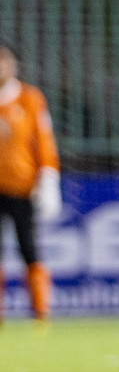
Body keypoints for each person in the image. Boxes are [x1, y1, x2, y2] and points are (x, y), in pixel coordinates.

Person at [0, 40, 60, 322]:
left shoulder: (30, 98)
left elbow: (44, 142)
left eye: (4, 59)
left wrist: (48, 179)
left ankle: (40, 312)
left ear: (14, 64)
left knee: (29, 248)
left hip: (23, 188)